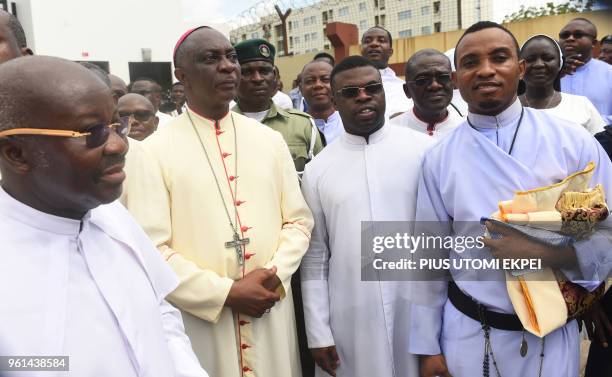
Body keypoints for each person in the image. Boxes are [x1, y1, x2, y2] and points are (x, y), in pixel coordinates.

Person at [409, 21, 612, 377]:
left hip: (551, 335)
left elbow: (607, 233)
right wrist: (427, 347)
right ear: (457, 79)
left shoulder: (572, 141)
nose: (486, 70)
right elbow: (429, 258)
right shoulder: (438, 158)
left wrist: (548, 252)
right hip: (470, 332)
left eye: (499, 58)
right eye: (471, 62)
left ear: (519, 69)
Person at [0, 55, 207, 377]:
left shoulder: (114, 216)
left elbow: (161, 313)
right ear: (17, 153)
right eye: (91, 132)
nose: (118, 145)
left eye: (116, 125)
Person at [125, 26, 314, 377]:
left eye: (230, 56)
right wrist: (226, 292)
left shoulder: (269, 141)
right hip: (201, 320)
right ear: (181, 76)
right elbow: (150, 249)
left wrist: (273, 274)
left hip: (270, 307)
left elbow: (299, 222)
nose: (228, 66)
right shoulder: (151, 153)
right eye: (210, 59)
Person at [301, 55, 434, 377]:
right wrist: (318, 331)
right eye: (350, 92)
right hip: (351, 315)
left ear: (384, 92)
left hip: (418, 311)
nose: (363, 96)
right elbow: (316, 256)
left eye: (372, 88)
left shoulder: (425, 151)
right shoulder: (318, 169)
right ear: (334, 100)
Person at [232, 38, 323, 175]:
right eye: (247, 72)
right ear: (235, 76)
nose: (257, 79)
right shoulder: (220, 126)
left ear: (274, 76)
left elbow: (320, 180)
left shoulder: (302, 125)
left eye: (264, 71)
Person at [519, 34, 605, 135]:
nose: (539, 64)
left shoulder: (581, 105)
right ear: (520, 66)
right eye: (530, 59)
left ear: (560, 63)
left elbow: (601, 145)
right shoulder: (507, 108)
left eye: (547, 58)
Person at [390, 49, 463, 140]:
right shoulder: (391, 131)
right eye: (422, 80)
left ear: (453, 82)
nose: (435, 85)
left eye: (443, 77)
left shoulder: (468, 131)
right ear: (407, 90)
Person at [559, 18, 612, 124]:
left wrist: (592, 124)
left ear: (594, 42)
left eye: (578, 35)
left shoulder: (609, 73)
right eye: (565, 35)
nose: (570, 38)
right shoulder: (548, 75)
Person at [360, 26, 412, 119]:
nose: (374, 44)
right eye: (368, 41)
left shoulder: (404, 88)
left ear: (390, 51)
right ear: (361, 50)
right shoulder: (349, 86)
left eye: (381, 40)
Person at [300, 59, 343, 145]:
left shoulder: (350, 123)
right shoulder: (295, 127)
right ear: (301, 89)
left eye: (325, 79)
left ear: (336, 85)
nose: (318, 85)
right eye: (310, 81)